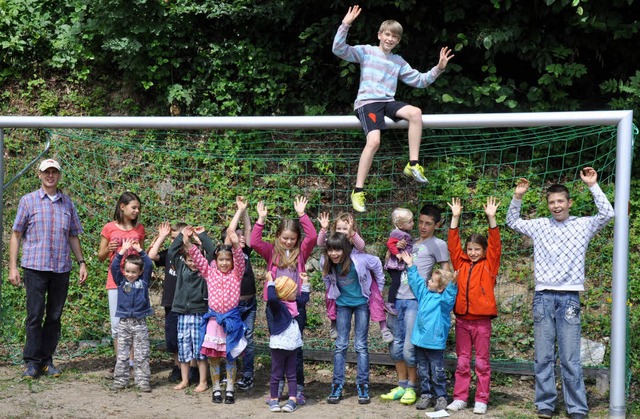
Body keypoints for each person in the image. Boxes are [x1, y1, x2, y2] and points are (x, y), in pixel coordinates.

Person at [506, 167, 614, 419]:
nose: (556, 206)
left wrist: (592, 185)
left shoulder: (583, 225)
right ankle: (545, 404)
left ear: (569, 203)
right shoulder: (540, 226)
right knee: (543, 356)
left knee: (570, 358)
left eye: (560, 201)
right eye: (552, 202)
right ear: (548, 205)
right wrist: (518, 197)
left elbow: (608, 213)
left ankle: (576, 407)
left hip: (569, 298)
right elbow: (512, 222)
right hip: (543, 297)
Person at [332, 5, 454, 212]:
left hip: (387, 102)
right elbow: (338, 49)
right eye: (387, 34)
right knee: (374, 141)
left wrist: (439, 68)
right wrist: (346, 24)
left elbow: (420, 80)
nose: (390, 39)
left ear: (398, 41)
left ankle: (413, 164)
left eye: (394, 37)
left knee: (415, 112)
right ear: (379, 35)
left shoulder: (398, 61)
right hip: (368, 102)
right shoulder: (366, 52)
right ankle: (358, 190)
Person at [8, 158, 88, 379]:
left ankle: (46, 360)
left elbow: (73, 235)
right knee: (35, 314)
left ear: (59, 175)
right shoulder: (28, 201)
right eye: (46, 172)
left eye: (54, 172)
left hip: (61, 267)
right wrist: (12, 267)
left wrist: (81, 262)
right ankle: (32, 362)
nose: (50, 175)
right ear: (39, 174)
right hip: (34, 266)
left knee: (54, 316)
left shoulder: (67, 203)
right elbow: (16, 235)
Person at [381, 204, 450, 406]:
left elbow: (445, 274)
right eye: (419, 222)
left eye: (428, 223)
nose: (422, 226)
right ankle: (401, 385)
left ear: (437, 225)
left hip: (415, 301)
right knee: (395, 345)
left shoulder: (438, 244)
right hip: (396, 299)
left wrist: (443, 305)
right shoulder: (407, 240)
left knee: (410, 348)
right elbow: (390, 262)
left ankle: (412, 387)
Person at [251, 196, 318, 404]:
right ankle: (277, 385)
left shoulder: (301, 252)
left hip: (296, 306)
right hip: (275, 307)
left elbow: (313, 236)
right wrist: (261, 219)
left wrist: (302, 215)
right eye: (285, 237)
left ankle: (297, 389)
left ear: (297, 238)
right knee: (278, 348)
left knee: (295, 348)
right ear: (278, 235)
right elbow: (254, 242)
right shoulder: (271, 251)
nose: (288, 241)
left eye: (292, 238)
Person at [184, 203, 247, 405]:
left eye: (227, 260)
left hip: (232, 320)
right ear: (216, 261)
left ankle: (230, 387)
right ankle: (217, 388)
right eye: (220, 259)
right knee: (213, 357)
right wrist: (187, 242)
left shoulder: (237, 274)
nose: (224, 263)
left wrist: (236, 244)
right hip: (213, 320)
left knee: (230, 356)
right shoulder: (209, 272)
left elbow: (239, 257)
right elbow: (197, 257)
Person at [446, 196, 502, 415]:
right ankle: (460, 397)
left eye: (477, 249)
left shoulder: (490, 265)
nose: (473, 252)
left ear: (484, 250)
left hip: (482, 322)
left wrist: (492, 219)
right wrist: (455, 218)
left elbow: (496, 245)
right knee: (461, 362)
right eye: (470, 249)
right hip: (462, 321)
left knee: (482, 363)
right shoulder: (461, 263)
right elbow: (453, 245)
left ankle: (481, 399)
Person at [322, 232, 385, 405]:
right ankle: (337, 385)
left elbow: (378, 264)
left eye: (338, 250)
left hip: (362, 304)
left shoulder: (360, 260)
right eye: (331, 250)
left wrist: (377, 291)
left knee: (361, 345)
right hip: (342, 304)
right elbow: (320, 245)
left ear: (346, 249)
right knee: (341, 344)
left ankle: (363, 385)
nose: (334, 254)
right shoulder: (328, 263)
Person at [317, 211, 393, 343]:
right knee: (330, 297)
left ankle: (383, 327)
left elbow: (362, 246)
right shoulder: (334, 244)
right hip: (341, 283)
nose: (341, 231)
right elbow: (320, 244)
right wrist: (323, 229)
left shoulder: (354, 243)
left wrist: (352, 232)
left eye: (344, 228)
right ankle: (333, 322)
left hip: (362, 278)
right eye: (338, 228)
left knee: (376, 299)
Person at [399, 250, 457, 412]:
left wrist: (452, 284)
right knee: (423, 370)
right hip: (420, 341)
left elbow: (449, 298)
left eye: (432, 281)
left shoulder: (443, 302)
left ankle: (441, 396)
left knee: (437, 371)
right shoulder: (424, 294)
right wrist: (410, 265)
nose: (428, 282)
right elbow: (416, 282)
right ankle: (426, 394)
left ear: (440, 288)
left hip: (435, 343)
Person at [166, 224, 216, 392]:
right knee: (184, 348)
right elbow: (172, 251)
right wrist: (181, 235)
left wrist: (203, 236)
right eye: (190, 260)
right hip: (182, 313)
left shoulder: (205, 270)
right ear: (184, 260)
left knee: (200, 349)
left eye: (196, 260)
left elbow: (212, 252)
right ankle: (185, 380)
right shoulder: (180, 267)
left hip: (199, 313)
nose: (193, 263)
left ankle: (203, 381)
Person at [97, 192, 146, 359]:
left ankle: (133, 362)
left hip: (135, 283)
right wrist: (109, 249)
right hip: (115, 281)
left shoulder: (139, 229)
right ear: (122, 207)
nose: (137, 211)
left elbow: (142, 257)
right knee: (117, 324)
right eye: (134, 207)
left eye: (138, 208)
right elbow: (101, 256)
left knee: (134, 322)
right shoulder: (109, 228)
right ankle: (121, 362)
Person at [220, 199, 258, 392]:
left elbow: (249, 228)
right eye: (238, 235)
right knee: (231, 338)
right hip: (233, 305)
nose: (242, 237)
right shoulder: (228, 254)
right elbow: (231, 232)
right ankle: (230, 373)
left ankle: (248, 375)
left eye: (243, 236)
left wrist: (245, 211)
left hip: (250, 303)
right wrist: (238, 211)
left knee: (248, 339)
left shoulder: (247, 253)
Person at [110, 238, 153, 392]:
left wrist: (140, 250)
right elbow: (114, 266)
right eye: (127, 271)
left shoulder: (144, 281)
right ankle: (120, 380)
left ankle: (142, 381)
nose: (130, 274)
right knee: (122, 354)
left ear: (140, 272)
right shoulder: (121, 281)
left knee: (142, 353)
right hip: (124, 322)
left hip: (140, 322)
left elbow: (149, 264)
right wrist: (122, 251)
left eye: (134, 272)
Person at [147, 221, 187, 382]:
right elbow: (151, 256)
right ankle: (178, 367)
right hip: (171, 302)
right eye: (172, 238)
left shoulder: (192, 254)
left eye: (179, 238)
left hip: (188, 304)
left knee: (188, 338)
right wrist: (162, 237)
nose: (175, 242)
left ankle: (191, 369)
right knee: (172, 338)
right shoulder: (169, 254)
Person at [265, 273, 310, 413]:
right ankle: (273, 399)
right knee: (276, 374)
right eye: (292, 291)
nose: (295, 293)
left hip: (293, 344)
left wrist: (305, 282)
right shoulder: (278, 306)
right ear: (285, 294)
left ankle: (292, 400)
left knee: (292, 374)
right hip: (279, 344)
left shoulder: (295, 303)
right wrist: (270, 282)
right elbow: (272, 297)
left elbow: (305, 298)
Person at [384, 208, 414, 315]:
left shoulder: (403, 233)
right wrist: (397, 254)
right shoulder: (397, 233)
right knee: (396, 282)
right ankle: (390, 303)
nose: (413, 224)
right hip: (394, 263)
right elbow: (390, 244)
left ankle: (391, 302)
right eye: (409, 222)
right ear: (401, 224)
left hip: (399, 263)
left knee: (398, 281)